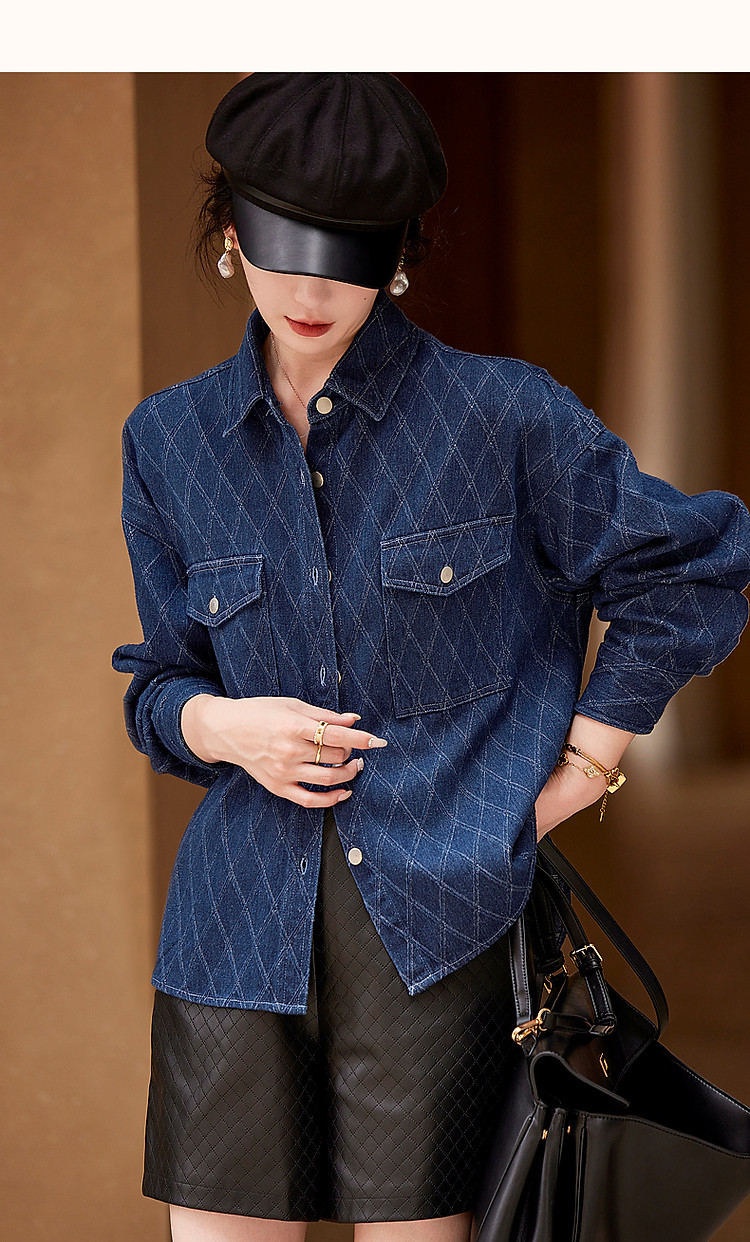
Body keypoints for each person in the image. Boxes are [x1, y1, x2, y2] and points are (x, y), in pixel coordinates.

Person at [112, 74, 750, 1242]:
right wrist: (221, 726)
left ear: (400, 253)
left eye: (348, 255)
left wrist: (581, 771)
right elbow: (160, 681)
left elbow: (694, 568)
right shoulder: (169, 441)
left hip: (440, 934)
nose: (311, 290)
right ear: (229, 231)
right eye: (283, 244)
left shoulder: (504, 417)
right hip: (232, 931)